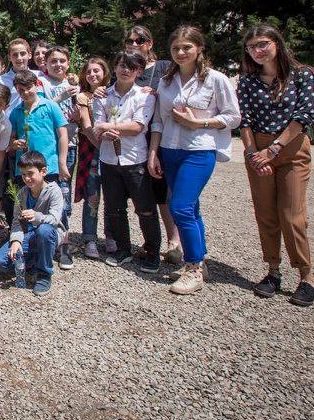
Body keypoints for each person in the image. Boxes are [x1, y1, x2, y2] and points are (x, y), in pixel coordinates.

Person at [149, 25, 241, 295]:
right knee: (192, 209)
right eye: (176, 48)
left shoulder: (215, 79)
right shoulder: (166, 81)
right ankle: (200, 260)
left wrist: (199, 123)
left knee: (180, 207)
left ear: (199, 48)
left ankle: (193, 269)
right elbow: (158, 120)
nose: (181, 52)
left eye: (186, 47)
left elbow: (233, 116)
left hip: (198, 150)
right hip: (170, 149)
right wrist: (153, 152)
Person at [237, 24, 314, 307]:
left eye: (262, 44)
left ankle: (306, 276)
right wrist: (252, 155)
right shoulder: (248, 81)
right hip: (258, 149)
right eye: (251, 47)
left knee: (291, 215)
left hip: (290, 147)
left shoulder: (302, 75)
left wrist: (274, 149)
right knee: (266, 213)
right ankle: (273, 270)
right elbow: (245, 121)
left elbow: (304, 115)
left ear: (277, 43)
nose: (257, 51)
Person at [94, 51, 161, 273]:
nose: (125, 70)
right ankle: (123, 249)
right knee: (114, 209)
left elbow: (138, 126)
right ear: (115, 67)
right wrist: (103, 132)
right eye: (122, 65)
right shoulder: (102, 95)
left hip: (135, 159)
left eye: (131, 67)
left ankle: (152, 252)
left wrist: (107, 126)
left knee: (145, 209)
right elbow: (97, 125)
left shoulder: (145, 95)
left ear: (139, 72)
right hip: (109, 159)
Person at [126, 25, 181, 263]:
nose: (134, 44)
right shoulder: (127, 67)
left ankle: (174, 242)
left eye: (139, 40)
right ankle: (151, 242)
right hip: (134, 139)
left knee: (164, 192)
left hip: (162, 137)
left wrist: (158, 94)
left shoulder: (164, 67)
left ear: (149, 43)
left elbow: (178, 94)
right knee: (143, 195)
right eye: (130, 40)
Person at [7, 70, 69, 268]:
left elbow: (63, 135)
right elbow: (10, 139)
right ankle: (29, 244)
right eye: (21, 90)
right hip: (24, 168)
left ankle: (63, 247)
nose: (25, 93)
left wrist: (62, 163)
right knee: (25, 205)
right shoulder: (16, 112)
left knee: (57, 207)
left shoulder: (50, 106)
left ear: (37, 85)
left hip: (48, 166)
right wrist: (14, 143)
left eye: (29, 88)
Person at [0, 152, 65, 296]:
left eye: (30, 173)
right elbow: (16, 221)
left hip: (49, 233)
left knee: (43, 231)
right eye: (23, 174)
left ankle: (44, 274)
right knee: (0, 262)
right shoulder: (22, 193)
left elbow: (55, 219)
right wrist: (16, 240)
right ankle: (35, 260)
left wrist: (37, 216)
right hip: (28, 235)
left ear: (43, 171)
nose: (27, 178)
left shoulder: (54, 191)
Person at [39, 45, 81, 266]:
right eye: (53, 61)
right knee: (44, 195)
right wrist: (61, 96)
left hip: (70, 145)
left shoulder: (74, 84)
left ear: (68, 63)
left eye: (62, 61)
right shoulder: (42, 83)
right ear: (45, 64)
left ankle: (63, 244)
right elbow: (39, 108)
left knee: (63, 196)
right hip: (47, 147)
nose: (58, 65)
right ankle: (45, 239)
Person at [73, 57, 111, 258]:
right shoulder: (82, 96)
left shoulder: (114, 92)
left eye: (96, 71)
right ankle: (89, 238)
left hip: (115, 148)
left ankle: (112, 236)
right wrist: (103, 148)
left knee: (114, 195)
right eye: (89, 71)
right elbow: (87, 128)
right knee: (92, 195)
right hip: (93, 148)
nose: (92, 75)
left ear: (105, 72)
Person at [0, 38, 32, 111]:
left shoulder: (39, 76)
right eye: (15, 54)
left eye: (22, 53)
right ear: (9, 58)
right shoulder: (1, 81)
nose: (19, 58)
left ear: (29, 55)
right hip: (10, 118)